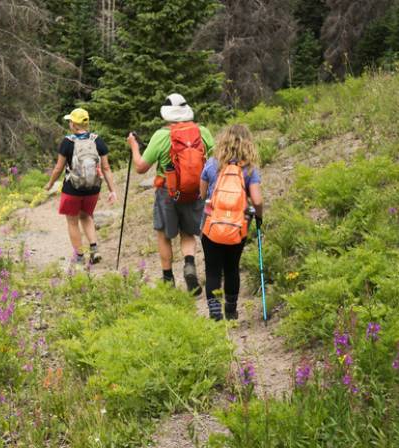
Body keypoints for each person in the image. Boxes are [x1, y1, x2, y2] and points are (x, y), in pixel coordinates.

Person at [126, 93, 214, 293]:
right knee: (188, 232)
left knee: (164, 235)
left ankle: (168, 280)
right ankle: (189, 264)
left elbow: (140, 167)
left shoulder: (161, 135)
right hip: (195, 191)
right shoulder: (202, 132)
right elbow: (215, 161)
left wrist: (133, 146)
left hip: (167, 190)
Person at [199, 124, 263, 320]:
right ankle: (231, 309)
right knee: (232, 267)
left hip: (212, 225)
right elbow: (258, 200)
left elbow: (202, 195)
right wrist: (258, 217)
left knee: (212, 269)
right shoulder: (249, 169)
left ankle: (214, 311)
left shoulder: (211, 164)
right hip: (237, 227)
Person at [45, 107, 117, 265]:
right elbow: (106, 168)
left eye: (70, 121)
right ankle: (94, 249)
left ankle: (79, 256)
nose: (69, 123)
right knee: (87, 216)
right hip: (93, 188)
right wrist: (112, 190)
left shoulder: (67, 142)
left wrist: (50, 184)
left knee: (72, 221)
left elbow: (58, 168)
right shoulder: (97, 140)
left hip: (72, 188)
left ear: (74, 124)